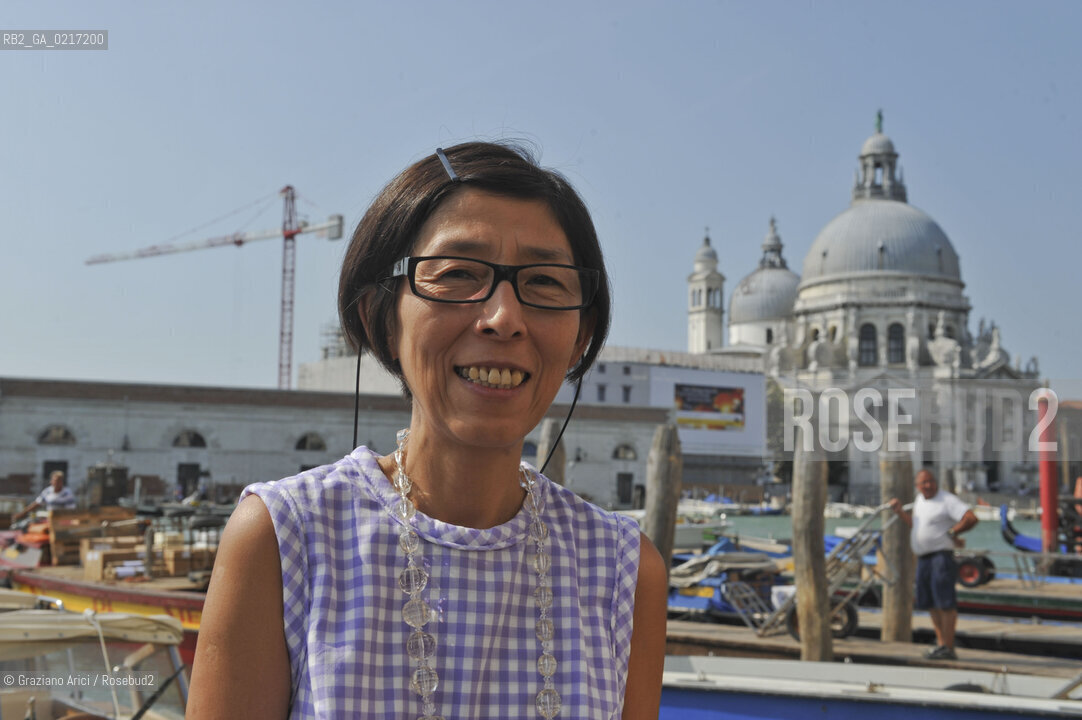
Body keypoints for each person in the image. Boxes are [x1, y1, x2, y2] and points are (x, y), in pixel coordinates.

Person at [188, 142, 668, 719]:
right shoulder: (287, 540)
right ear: (379, 317)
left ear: (581, 338)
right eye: (459, 274)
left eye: (544, 283)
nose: (503, 318)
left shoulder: (622, 570)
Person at [889, 469, 978, 660]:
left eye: (930, 481)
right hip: (923, 558)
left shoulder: (947, 500)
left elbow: (970, 518)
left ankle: (949, 645)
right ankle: (941, 643)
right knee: (929, 602)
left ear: (936, 482)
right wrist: (899, 513)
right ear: (917, 486)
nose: (928, 486)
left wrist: (953, 533)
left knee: (945, 602)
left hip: (941, 557)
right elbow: (917, 525)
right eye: (923, 483)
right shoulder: (920, 500)